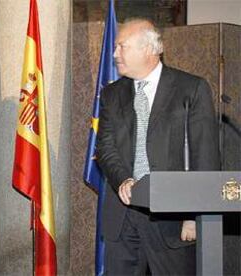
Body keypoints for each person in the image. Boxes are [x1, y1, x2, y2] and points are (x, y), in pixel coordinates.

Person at [96, 18, 219, 275]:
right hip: (123, 217)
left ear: (150, 49)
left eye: (122, 46)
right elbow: (106, 147)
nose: (115, 53)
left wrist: (194, 217)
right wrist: (123, 180)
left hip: (172, 221)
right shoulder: (111, 94)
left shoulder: (191, 89)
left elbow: (205, 156)